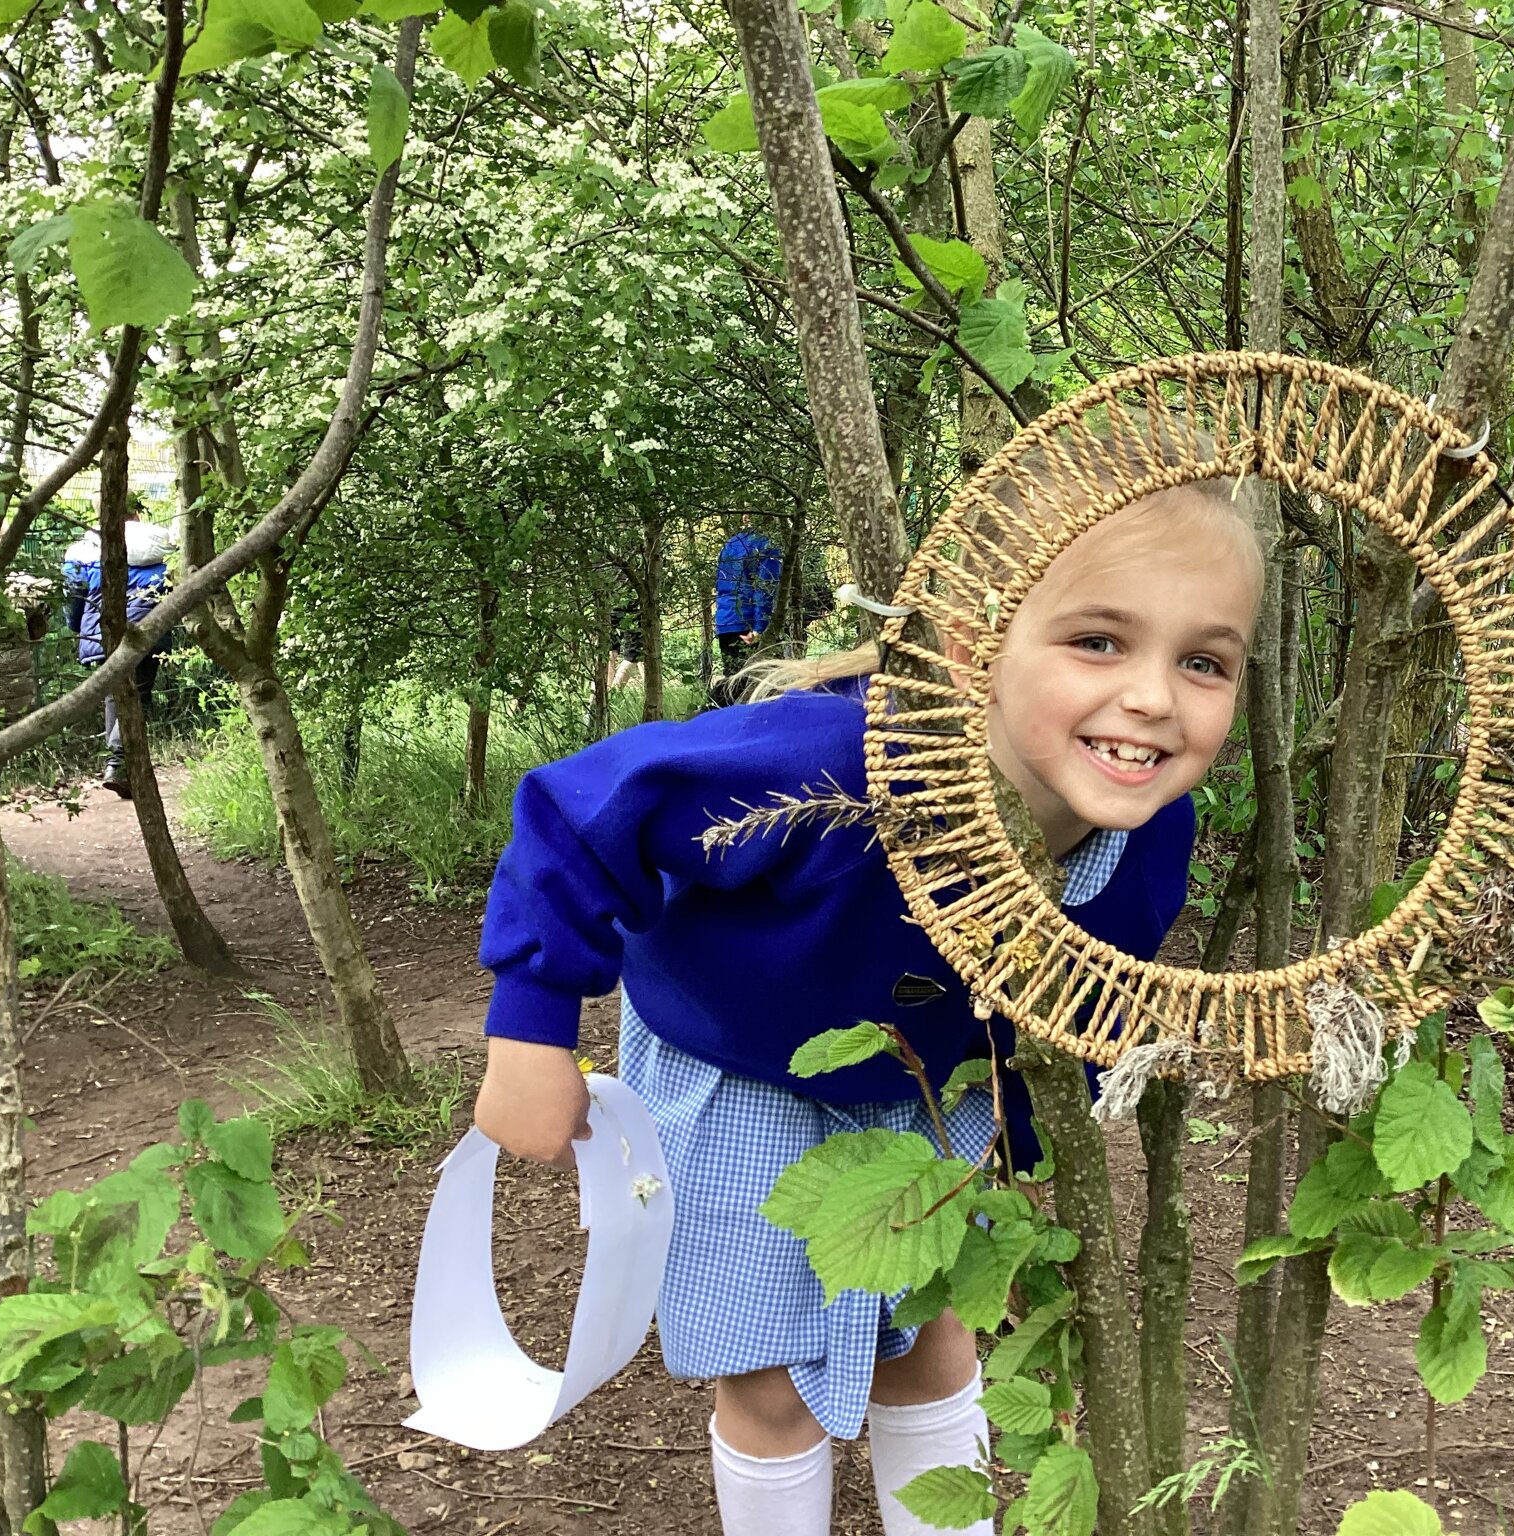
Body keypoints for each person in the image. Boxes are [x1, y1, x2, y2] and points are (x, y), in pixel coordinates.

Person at [471, 449, 1264, 1536]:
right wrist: (531, 1028)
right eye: (1096, 641)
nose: (1149, 698)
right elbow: (580, 813)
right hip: (744, 1066)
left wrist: (1019, 1157)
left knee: (934, 1339)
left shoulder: (1148, 836)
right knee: (769, 1379)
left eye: (1205, 664)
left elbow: (1066, 1006)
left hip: (935, 1088)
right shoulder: (828, 762)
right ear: (971, 643)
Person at [62, 508, 173, 799]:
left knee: (117, 694)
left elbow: (74, 593)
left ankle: (121, 770)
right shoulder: (162, 547)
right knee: (136, 697)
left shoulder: (84, 550)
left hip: (99, 631)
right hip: (148, 631)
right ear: (136, 516)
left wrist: (78, 628)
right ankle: (118, 765)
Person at [712, 512, 782, 704]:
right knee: (763, 686)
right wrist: (760, 628)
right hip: (748, 624)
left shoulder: (731, 544)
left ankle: (715, 720)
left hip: (726, 621)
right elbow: (765, 588)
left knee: (734, 683)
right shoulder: (766, 546)